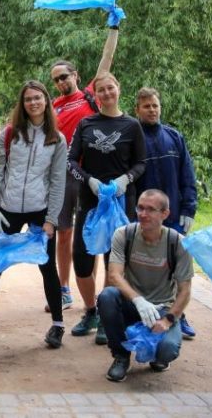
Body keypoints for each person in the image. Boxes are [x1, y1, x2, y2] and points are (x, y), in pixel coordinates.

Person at [0, 81, 67, 348]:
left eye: (38, 98)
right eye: (28, 99)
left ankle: (58, 325)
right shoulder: (9, 134)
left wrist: (51, 220)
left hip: (40, 210)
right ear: (22, 104)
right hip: (9, 208)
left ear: (46, 101)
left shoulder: (57, 139)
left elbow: (58, 181)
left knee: (48, 267)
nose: (33, 103)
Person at [67, 72, 146, 345]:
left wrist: (126, 180)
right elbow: (71, 161)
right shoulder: (86, 123)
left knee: (114, 260)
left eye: (110, 88)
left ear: (118, 89)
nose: (106, 93)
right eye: (101, 90)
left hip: (121, 202)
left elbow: (141, 164)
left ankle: (105, 313)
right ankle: (90, 311)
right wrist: (88, 181)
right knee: (82, 257)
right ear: (96, 94)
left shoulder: (132, 125)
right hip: (91, 200)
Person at [50, 23, 120, 311]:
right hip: (64, 173)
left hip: (94, 172)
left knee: (98, 233)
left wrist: (113, 27)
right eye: (56, 79)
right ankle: (64, 288)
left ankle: (100, 297)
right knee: (64, 232)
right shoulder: (52, 105)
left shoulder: (90, 94)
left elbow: (107, 59)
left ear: (76, 76)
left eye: (64, 76)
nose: (61, 82)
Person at [98, 189, 193, 382]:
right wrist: (138, 300)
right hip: (132, 304)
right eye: (140, 208)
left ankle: (160, 356)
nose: (143, 214)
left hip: (162, 308)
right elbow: (114, 275)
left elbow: (185, 291)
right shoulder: (124, 234)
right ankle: (120, 356)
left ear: (165, 214)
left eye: (150, 209)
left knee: (166, 351)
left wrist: (167, 320)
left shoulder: (177, 243)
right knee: (107, 296)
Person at [134, 87, 198, 340]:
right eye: (146, 106)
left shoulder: (174, 136)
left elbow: (187, 175)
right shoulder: (133, 137)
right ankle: (144, 315)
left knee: (176, 267)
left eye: (155, 105)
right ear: (137, 109)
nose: (152, 110)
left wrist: (189, 208)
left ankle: (178, 315)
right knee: (145, 268)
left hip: (172, 215)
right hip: (143, 217)